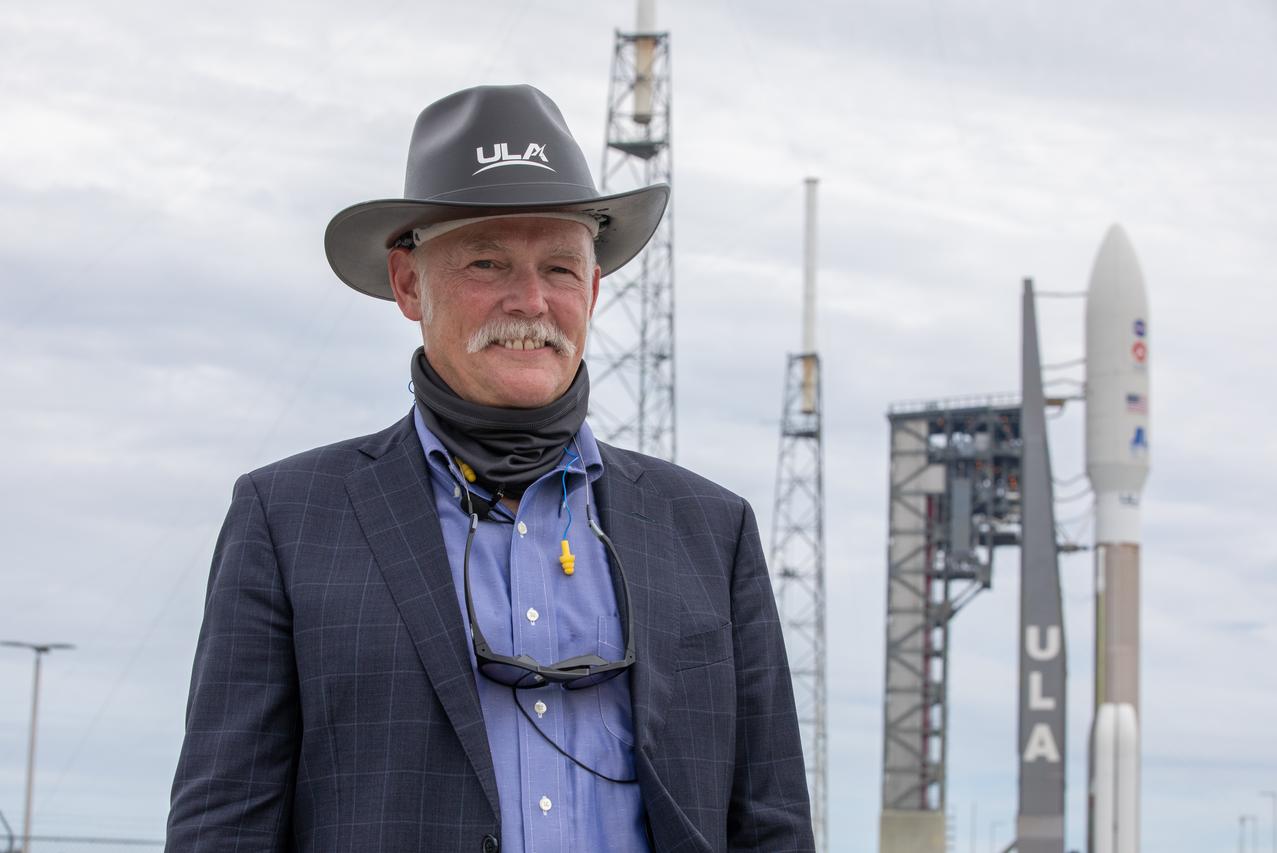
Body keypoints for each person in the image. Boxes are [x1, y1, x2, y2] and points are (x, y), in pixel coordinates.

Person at [167, 84, 813, 853]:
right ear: (409, 284)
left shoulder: (711, 530)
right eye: (487, 262)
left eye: (560, 269)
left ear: (594, 288)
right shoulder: (289, 521)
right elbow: (224, 828)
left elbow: (772, 827)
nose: (530, 301)